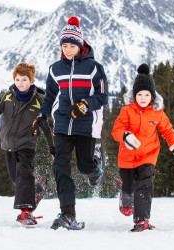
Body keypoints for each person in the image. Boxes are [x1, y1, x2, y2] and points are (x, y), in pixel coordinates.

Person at [32, 16, 108, 230]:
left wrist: (85, 104)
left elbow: (102, 96)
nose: (67, 49)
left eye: (71, 45)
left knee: (85, 167)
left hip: (86, 125)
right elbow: (49, 97)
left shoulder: (95, 68)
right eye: (64, 45)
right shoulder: (55, 69)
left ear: (80, 45)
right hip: (63, 124)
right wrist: (42, 115)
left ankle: (96, 166)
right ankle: (68, 214)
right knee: (60, 167)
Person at [0, 62, 55, 226]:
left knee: (24, 175)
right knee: (17, 178)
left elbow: (47, 127)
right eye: (17, 79)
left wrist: (53, 148)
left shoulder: (40, 101)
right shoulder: (7, 96)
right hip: (8, 144)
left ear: (31, 81)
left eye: (24, 79)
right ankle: (37, 190)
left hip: (27, 145)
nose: (20, 83)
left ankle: (26, 212)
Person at [111, 63, 174, 232]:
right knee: (129, 187)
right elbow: (116, 130)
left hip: (147, 156)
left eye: (146, 94)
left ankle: (141, 220)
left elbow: (168, 130)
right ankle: (125, 196)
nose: (143, 98)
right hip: (127, 159)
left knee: (145, 185)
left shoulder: (157, 113)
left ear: (152, 96)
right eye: (139, 94)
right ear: (134, 95)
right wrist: (126, 136)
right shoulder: (127, 111)